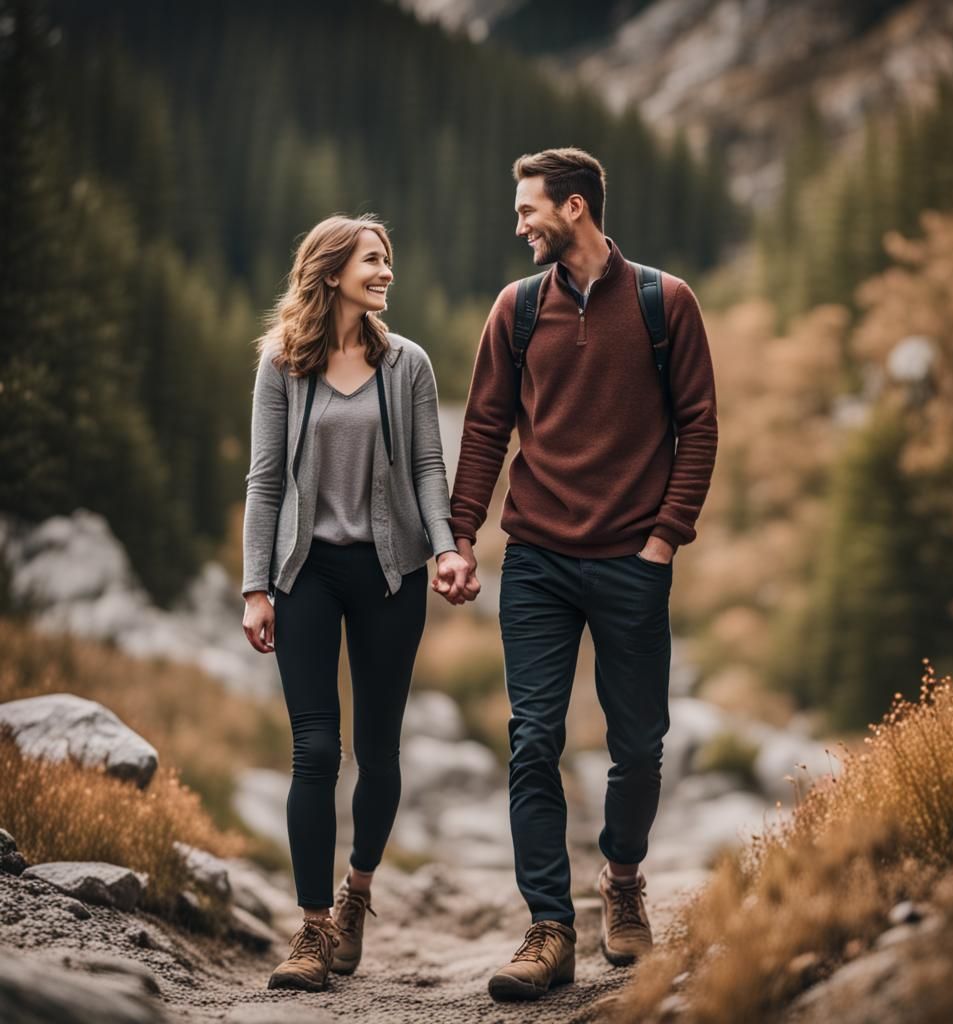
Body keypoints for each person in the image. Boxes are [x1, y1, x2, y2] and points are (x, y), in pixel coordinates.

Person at [447, 148, 718, 1001]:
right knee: (533, 739)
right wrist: (460, 535)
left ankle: (624, 883)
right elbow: (486, 428)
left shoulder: (664, 303)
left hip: (634, 560)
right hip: (535, 562)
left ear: (573, 207)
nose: (519, 223)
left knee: (638, 747)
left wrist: (664, 540)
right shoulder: (517, 309)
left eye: (529, 209)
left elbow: (700, 427)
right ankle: (548, 928)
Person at [241, 214, 471, 991]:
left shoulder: (407, 364)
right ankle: (308, 931)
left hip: (390, 576)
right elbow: (265, 481)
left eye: (389, 261)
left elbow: (430, 469)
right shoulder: (283, 363)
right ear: (333, 269)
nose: (387, 273)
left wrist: (443, 547)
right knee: (314, 750)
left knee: (377, 750)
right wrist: (254, 587)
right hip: (304, 574)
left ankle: (356, 893)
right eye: (375, 261)